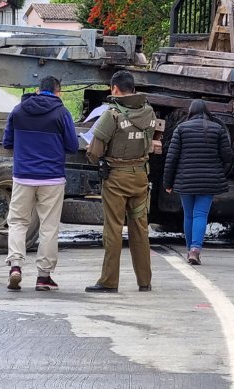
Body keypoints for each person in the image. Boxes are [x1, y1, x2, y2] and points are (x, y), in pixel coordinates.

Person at [2, 75, 79, 291]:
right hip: (52, 178)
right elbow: (72, 146)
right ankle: (43, 277)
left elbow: (7, 142)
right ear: (58, 92)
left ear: (38, 90)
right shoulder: (61, 113)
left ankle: (15, 266)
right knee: (49, 227)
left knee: (17, 221)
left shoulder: (18, 110)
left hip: (23, 176)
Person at [84, 70, 157, 293]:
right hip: (141, 177)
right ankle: (144, 281)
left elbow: (95, 151)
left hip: (117, 178)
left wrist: (94, 155)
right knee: (140, 228)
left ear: (115, 89)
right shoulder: (148, 111)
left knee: (114, 229)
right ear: (133, 88)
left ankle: (109, 281)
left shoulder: (112, 114)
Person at [162, 99, 233, 265]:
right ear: (206, 112)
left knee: (189, 214)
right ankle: (195, 249)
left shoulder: (181, 129)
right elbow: (228, 156)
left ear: (191, 112)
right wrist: (219, 171)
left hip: (185, 180)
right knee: (201, 214)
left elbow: (171, 159)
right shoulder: (217, 129)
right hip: (208, 181)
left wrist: (168, 183)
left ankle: (189, 250)